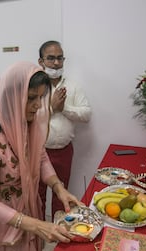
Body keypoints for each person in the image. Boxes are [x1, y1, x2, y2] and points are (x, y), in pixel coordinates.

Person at [0, 61, 83, 251]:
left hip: (27, 211)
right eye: (31, 98)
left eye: (40, 97)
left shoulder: (25, 122)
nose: (38, 105)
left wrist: (59, 188)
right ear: (11, 96)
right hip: (1, 221)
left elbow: (40, 156)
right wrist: (38, 225)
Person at [38, 40, 92, 221]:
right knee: (38, 195)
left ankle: (58, 232)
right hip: (39, 151)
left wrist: (64, 109)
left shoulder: (74, 86)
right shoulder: (34, 87)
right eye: (50, 58)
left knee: (61, 195)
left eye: (59, 58)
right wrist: (51, 108)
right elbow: (27, 119)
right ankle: (40, 235)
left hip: (64, 151)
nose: (55, 63)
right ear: (41, 61)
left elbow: (86, 114)